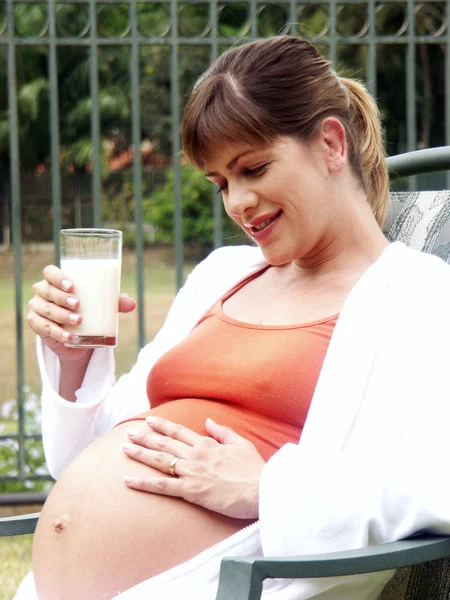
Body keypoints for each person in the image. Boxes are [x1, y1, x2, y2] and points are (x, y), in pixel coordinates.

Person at [16, 35, 450, 600]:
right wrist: (74, 363)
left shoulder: (420, 295)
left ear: (331, 143)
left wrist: (267, 489)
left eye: (254, 168)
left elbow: (437, 481)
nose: (236, 203)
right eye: (221, 182)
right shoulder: (221, 274)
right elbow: (89, 454)